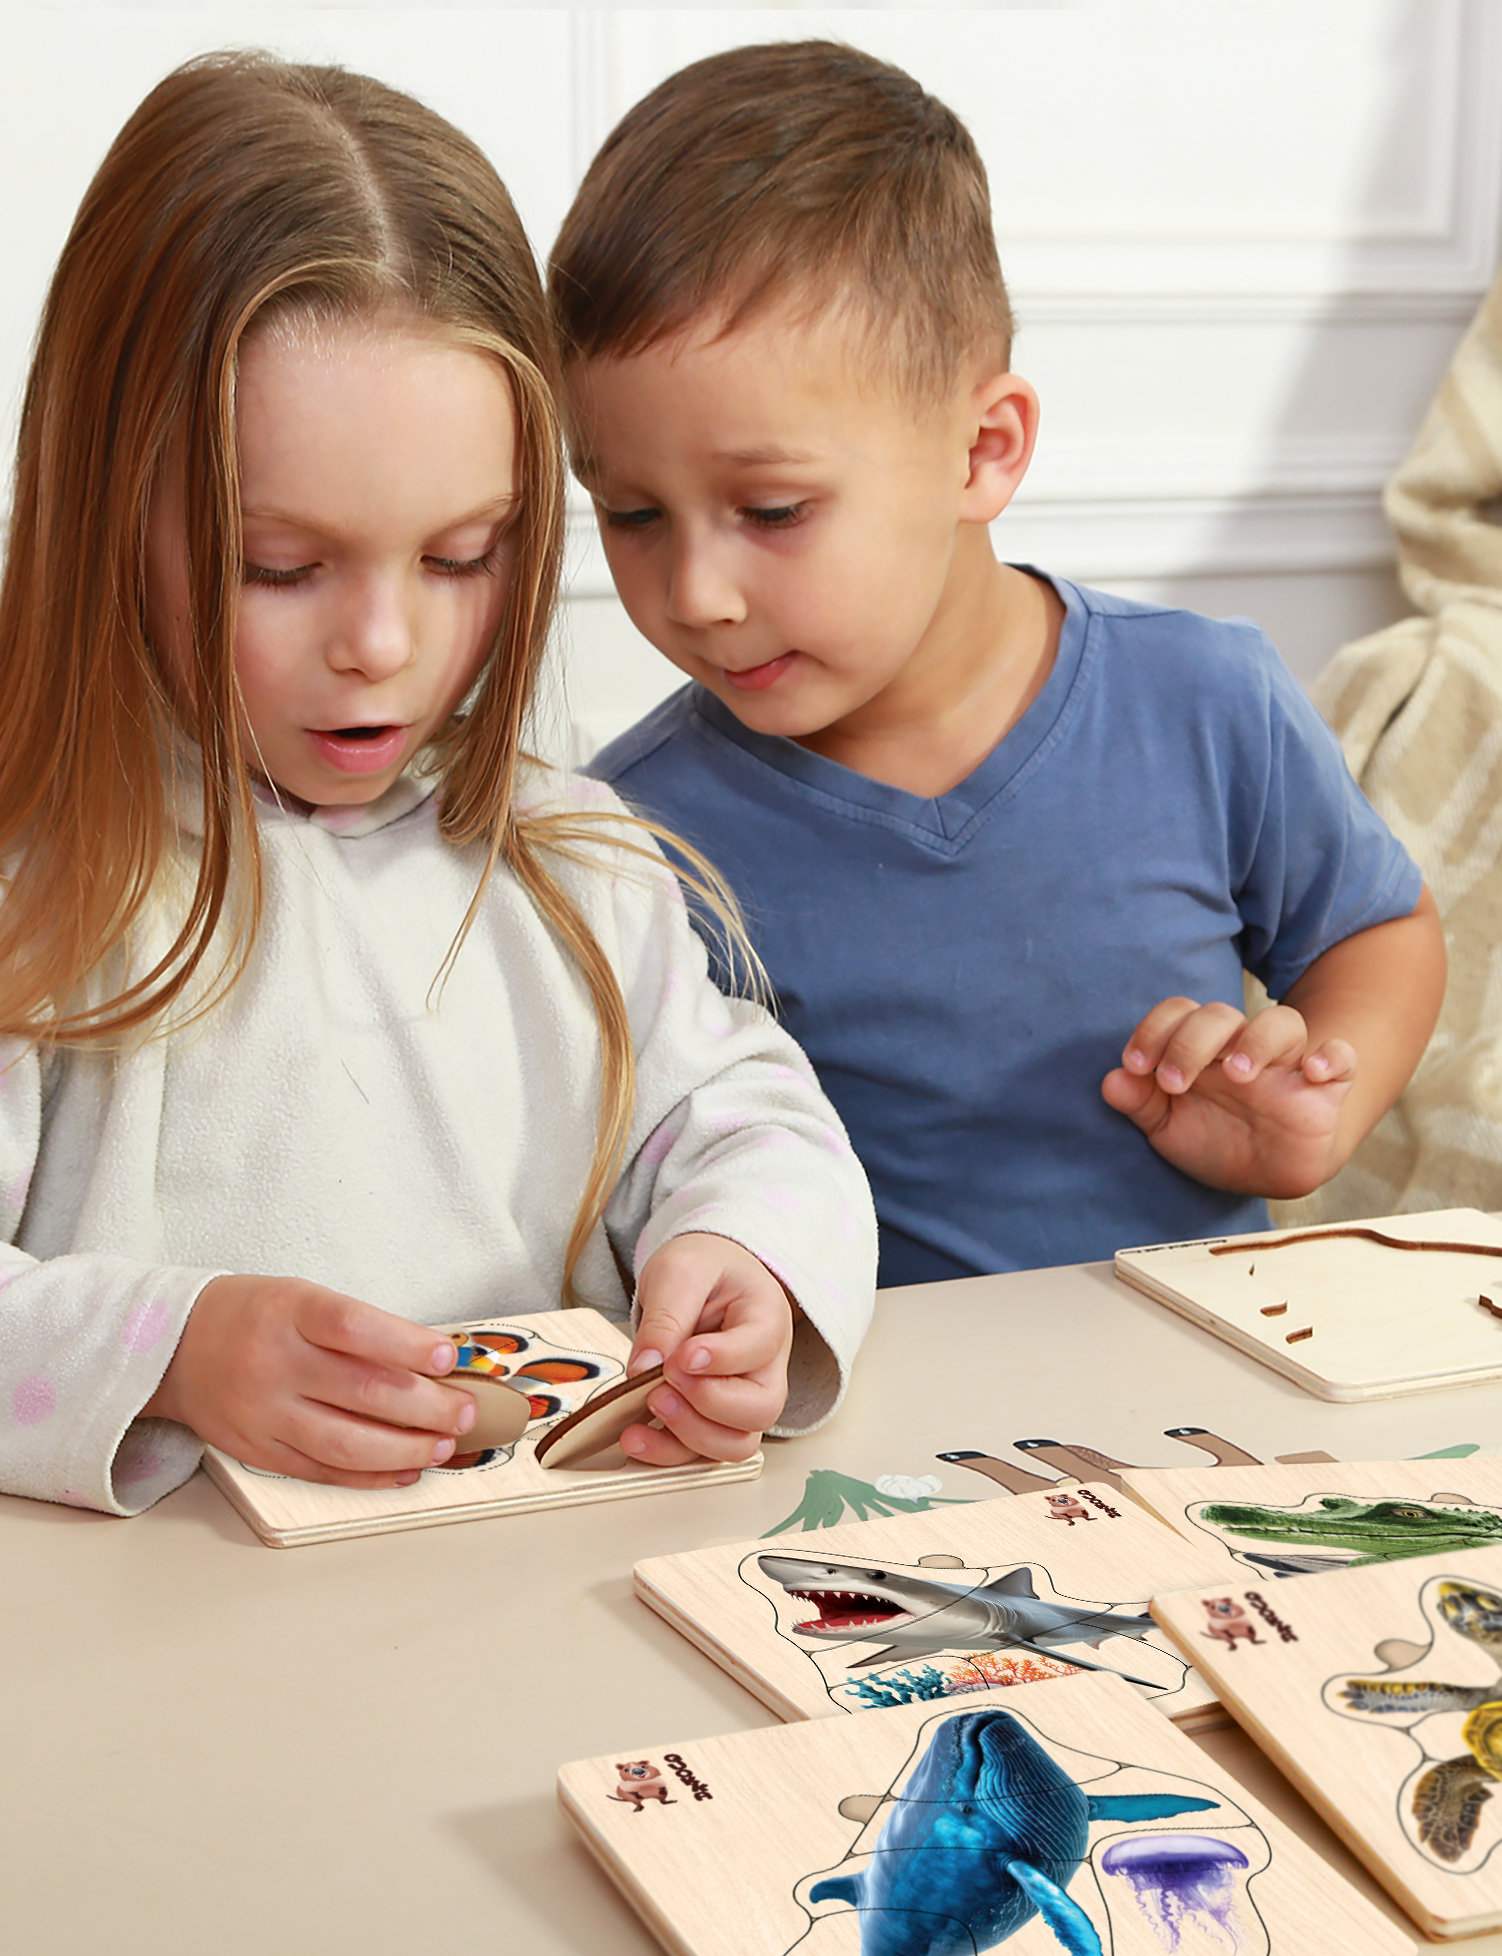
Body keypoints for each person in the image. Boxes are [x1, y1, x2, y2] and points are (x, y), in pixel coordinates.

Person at [0, 53, 875, 1516]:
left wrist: (748, 1259)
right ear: (106, 510)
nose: (383, 647)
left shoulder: (571, 856)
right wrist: (172, 1350)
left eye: (465, 556)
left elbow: (743, 1108)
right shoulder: (13, 892)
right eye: (282, 566)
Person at [554, 41, 1446, 1288]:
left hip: (1212, 1395)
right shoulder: (632, 837)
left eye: (769, 510)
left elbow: (1378, 928)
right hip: (882, 1450)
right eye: (632, 514)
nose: (694, 595)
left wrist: (1314, 1118)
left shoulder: (1204, 702)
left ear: (982, 449)